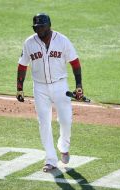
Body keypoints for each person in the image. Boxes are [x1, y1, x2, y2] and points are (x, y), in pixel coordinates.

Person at [16, 13, 84, 172]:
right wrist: (19, 88)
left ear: (48, 26)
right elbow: (22, 65)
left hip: (61, 85)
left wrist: (79, 85)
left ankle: (64, 146)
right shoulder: (29, 43)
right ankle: (51, 159)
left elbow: (75, 63)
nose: (38, 30)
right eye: (36, 27)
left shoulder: (62, 41)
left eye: (41, 27)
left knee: (66, 120)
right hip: (40, 88)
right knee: (44, 123)